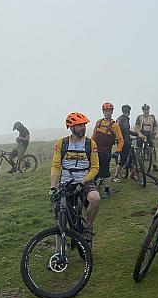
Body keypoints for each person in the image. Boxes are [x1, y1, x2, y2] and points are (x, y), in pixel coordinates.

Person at [50, 112, 100, 244]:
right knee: (59, 213)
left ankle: (88, 227)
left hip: (84, 180)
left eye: (84, 125)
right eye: (80, 125)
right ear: (71, 127)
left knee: (95, 198)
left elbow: (95, 168)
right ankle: (60, 248)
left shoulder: (90, 144)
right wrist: (53, 187)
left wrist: (82, 182)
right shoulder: (62, 143)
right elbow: (56, 166)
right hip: (66, 182)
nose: (83, 128)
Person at [91, 102, 124, 198]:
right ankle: (94, 187)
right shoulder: (98, 122)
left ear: (112, 112)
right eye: (106, 111)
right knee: (94, 169)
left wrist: (118, 151)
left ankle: (107, 191)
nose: (107, 113)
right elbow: (93, 136)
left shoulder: (114, 125)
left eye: (109, 111)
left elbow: (120, 139)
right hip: (95, 151)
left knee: (105, 171)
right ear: (103, 112)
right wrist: (89, 145)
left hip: (105, 152)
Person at [114, 104, 145, 182]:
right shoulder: (124, 119)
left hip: (123, 140)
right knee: (123, 159)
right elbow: (126, 131)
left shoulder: (119, 118)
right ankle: (116, 176)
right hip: (124, 141)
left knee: (132, 156)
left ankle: (133, 173)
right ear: (129, 111)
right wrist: (137, 134)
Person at [135, 103, 158, 171]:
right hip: (141, 134)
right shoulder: (139, 117)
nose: (146, 112)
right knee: (139, 149)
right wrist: (139, 134)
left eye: (147, 110)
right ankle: (138, 164)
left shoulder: (152, 117)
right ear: (143, 111)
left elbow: (155, 126)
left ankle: (154, 165)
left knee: (151, 149)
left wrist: (157, 134)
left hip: (149, 135)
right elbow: (137, 127)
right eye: (145, 110)